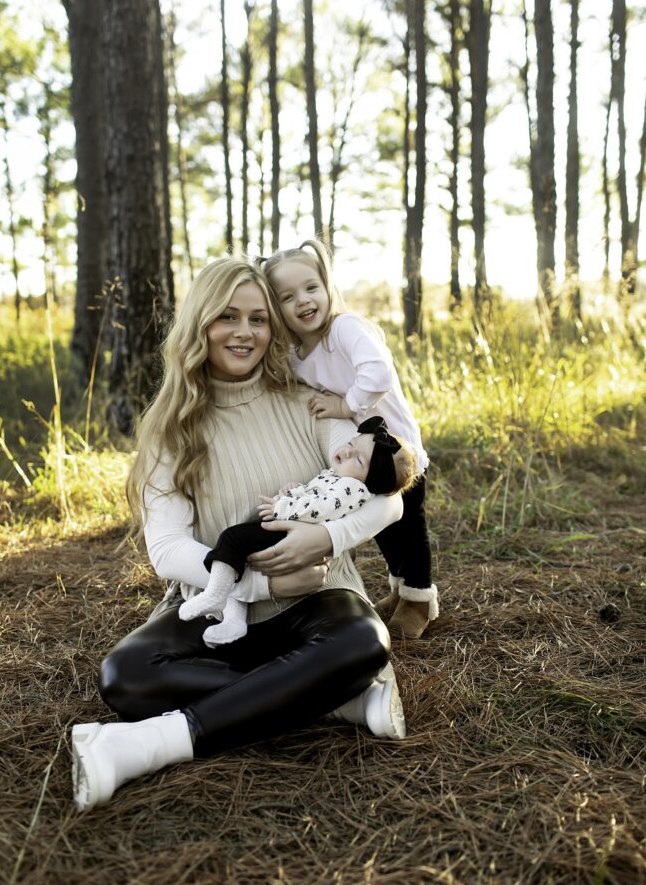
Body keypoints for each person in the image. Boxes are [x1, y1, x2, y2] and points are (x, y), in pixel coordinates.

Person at [71, 258, 407, 813]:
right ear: (200, 323)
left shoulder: (311, 401)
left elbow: (385, 501)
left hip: (318, 603)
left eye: (258, 318)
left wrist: (322, 542)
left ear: (274, 326)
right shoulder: (171, 427)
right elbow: (168, 549)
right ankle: (330, 698)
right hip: (220, 609)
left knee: (363, 642)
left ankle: (141, 747)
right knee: (125, 675)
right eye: (228, 316)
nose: (245, 332)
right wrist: (256, 586)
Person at [262, 239, 438, 639]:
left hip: (394, 451)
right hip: (357, 457)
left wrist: (346, 406)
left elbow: (378, 373)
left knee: (408, 522)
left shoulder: (343, 329)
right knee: (382, 527)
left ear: (326, 286)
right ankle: (399, 588)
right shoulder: (296, 354)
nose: (303, 301)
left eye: (311, 287)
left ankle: (420, 598)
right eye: (287, 296)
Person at [178, 416, 417, 645]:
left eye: (359, 460)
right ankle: (234, 620)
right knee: (240, 561)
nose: (347, 451)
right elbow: (316, 496)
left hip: (291, 536)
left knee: (232, 539)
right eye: (351, 444)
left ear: (371, 480)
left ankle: (215, 593)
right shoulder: (341, 476)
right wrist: (295, 490)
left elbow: (318, 510)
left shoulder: (351, 487)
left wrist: (282, 506)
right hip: (293, 535)